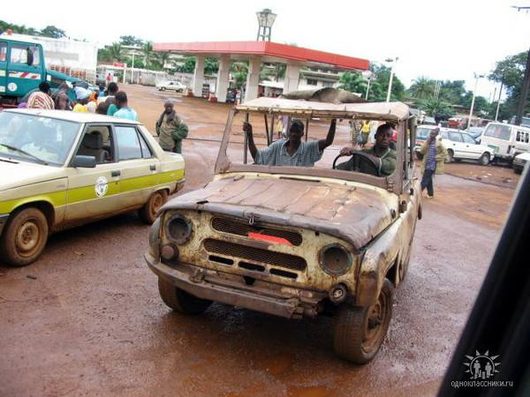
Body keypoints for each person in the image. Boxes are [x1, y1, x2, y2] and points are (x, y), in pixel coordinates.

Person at [243, 118, 336, 167]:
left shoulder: (308, 148)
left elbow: (328, 141)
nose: (294, 134)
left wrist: (333, 122)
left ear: (302, 133)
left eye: (297, 131)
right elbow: (257, 156)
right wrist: (250, 134)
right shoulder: (277, 147)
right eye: (292, 131)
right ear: (288, 132)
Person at [418, 127, 447, 199]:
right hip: (426, 164)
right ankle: (430, 194)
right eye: (431, 133)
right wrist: (427, 143)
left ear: (436, 135)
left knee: (424, 180)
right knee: (428, 179)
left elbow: (445, 153)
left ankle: (418, 193)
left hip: (432, 165)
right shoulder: (427, 142)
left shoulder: (438, 144)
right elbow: (422, 151)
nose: (432, 135)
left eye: (433, 134)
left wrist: (437, 157)